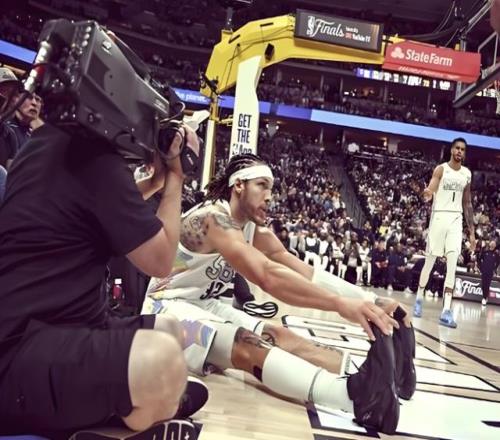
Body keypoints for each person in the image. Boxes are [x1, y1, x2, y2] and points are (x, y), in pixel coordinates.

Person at [143, 153, 416, 435]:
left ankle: (379, 379)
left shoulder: (253, 229)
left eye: (271, 188)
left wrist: (369, 300)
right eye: (262, 185)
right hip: (163, 308)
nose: (270, 196)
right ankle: (354, 397)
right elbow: (267, 275)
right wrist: (339, 304)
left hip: (202, 303)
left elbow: (302, 270)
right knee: (246, 344)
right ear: (239, 185)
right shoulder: (213, 218)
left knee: (278, 333)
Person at [0, 118, 207, 435]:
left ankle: (125, 404)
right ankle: (125, 418)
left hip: (45, 331)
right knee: (164, 360)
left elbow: (100, 202)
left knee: (170, 330)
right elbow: (161, 260)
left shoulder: (45, 143)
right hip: (21, 359)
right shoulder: (98, 161)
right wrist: (176, 178)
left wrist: (155, 182)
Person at [412, 138, 476, 328]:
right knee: (430, 262)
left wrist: (472, 232)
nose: (459, 151)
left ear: (464, 153)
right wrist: (427, 193)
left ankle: (446, 310)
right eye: (457, 148)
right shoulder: (441, 169)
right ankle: (419, 297)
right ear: (451, 150)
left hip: (456, 220)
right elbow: (432, 186)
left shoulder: (466, 174)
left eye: (462, 149)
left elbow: (467, 203)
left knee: (452, 263)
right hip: (439, 218)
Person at [478, 240, 500, 306]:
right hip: (484, 271)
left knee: (487, 285)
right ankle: (485, 296)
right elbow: (479, 259)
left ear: (495, 246)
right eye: (492, 243)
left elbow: (498, 262)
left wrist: (494, 268)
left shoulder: (496, 254)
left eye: (494, 244)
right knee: (483, 285)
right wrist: (481, 267)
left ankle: (484, 298)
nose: (492, 244)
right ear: (490, 244)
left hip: (490, 272)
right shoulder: (485, 252)